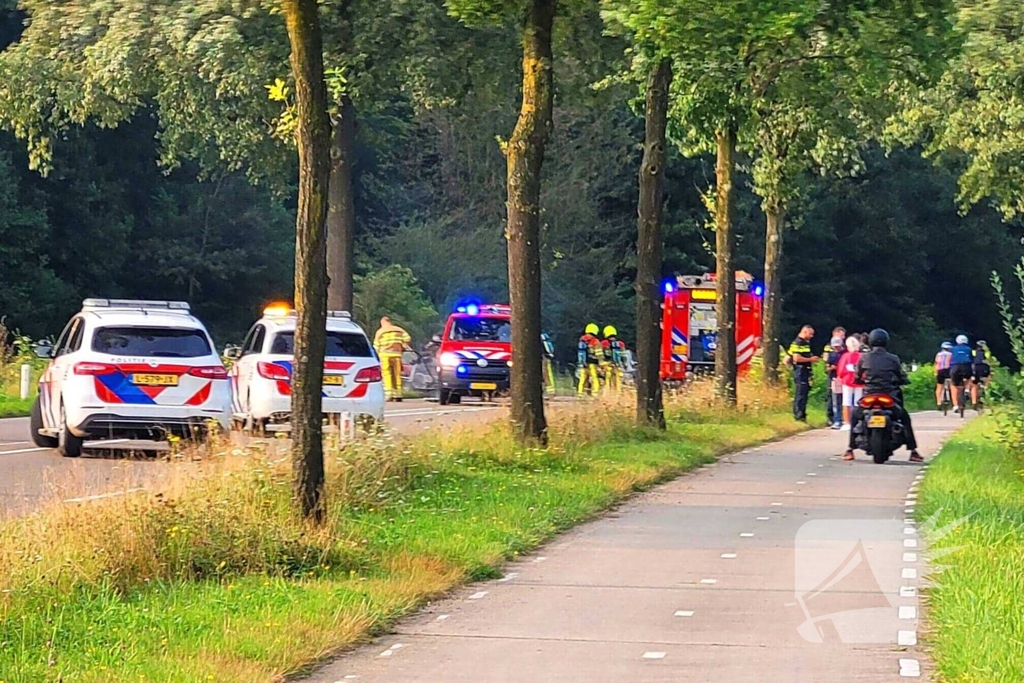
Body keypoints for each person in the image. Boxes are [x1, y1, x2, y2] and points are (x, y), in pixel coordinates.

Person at [843, 328, 923, 463]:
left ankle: (850, 449)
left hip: (869, 396)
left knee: (856, 416)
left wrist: (861, 380)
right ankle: (913, 451)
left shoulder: (864, 358)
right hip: (889, 396)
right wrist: (902, 380)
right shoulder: (893, 358)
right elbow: (901, 376)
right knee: (904, 418)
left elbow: (857, 377)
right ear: (886, 341)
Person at [373, 316, 412, 402]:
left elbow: (376, 346)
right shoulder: (398, 330)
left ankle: (389, 394)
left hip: (385, 355)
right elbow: (407, 338)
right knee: (397, 375)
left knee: (387, 374)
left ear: (382, 323)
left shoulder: (380, 332)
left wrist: (377, 356)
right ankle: (398, 394)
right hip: (397, 355)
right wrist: (403, 346)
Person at [788, 325, 819, 421]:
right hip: (801, 371)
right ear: (804, 332)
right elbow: (796, 358)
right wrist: (811, 359)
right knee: (800, 393)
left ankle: (802, 413)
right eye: (810, 334)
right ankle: (798, 414)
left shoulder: (804, 343)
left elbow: (787, 357)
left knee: (804, 392)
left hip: (804, 371)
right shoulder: (798, 342)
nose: (812, 336)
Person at [836, 336, 863, 431]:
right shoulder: (861, 356)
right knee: (858, 402)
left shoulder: (845, 356)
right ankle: (858, 421)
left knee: (846, 402)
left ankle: (847, 423)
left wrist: (842, 376)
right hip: (859, 382)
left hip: (847, 381)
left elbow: (840, 370)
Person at [825, 334, 845, 429]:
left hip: (844, 379)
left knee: (844, 400)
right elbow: (827, 367)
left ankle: (845, 419)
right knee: (836, 400)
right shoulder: (831, 355)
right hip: (834, 378)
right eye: (835, 347)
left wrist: (838, 367)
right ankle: (837, 420)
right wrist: (830, 368)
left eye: (838, 346)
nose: (836, 348)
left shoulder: (845, 354)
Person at [577, 323, 603, 395]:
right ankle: (595, 392)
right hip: (592, 363)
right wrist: (600, 362)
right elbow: (599, 354)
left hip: (583, 362)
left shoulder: (582, 340)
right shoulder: (595, 341)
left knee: (583, 378)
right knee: (594, 378)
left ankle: (580, 393)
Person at [949, 334, 973, 410]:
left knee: (953, 385)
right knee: (969, 378)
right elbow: (971, 359)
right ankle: (967, 389)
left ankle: (955, 405)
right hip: (966, 366)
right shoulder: (969, 349)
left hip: (955, 367)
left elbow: (951, 358)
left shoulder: (953, 349)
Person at [601, 325, 626, 392]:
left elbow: (601, 354)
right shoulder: (621, 344)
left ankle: (608, 391)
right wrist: (624, 364)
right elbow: (624, 356)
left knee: (608, 378)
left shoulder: (604, 343)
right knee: (618, 379)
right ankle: (618, 392)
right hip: (618, 364)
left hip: (608, 363)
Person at [971, 340, 991, 408]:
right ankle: (985, 388)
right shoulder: (987, 352)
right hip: (985, 368)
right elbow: (988, 360)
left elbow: (972, 359)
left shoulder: (973, 352)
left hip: (976, 368)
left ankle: (974, 402)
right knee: (989, 377)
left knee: (974, 385)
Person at [934, 341, 953, 408]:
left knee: (939, 386)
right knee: (952, 385)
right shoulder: (951, 354)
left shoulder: (938, 354)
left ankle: (938, 402)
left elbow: (936, 363)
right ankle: (953, 401)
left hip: (940, 370)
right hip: (948, 370)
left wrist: (935, 372)